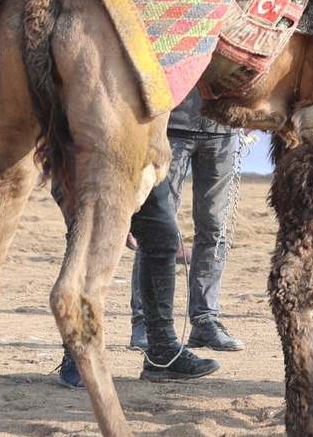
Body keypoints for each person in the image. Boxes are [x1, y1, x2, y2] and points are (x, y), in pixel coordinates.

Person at [98, 90, 245, 383]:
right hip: (170, 126)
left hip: (224, 127)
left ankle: (205, 319)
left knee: (214, 229)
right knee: (156, 231)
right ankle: (145, 324)